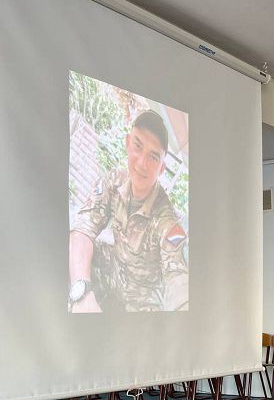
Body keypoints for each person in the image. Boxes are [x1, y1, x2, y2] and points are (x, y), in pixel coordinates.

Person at [69, 109, 188, 313]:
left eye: (153, 156)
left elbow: (178, 278)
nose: (141, 163)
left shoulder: (167, 221)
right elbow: (83, 228)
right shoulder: (115, 180)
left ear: (161, 169)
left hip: (140, 305)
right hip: (111, 274)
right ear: (127, 143)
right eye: (137, 146)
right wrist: (82, 294)